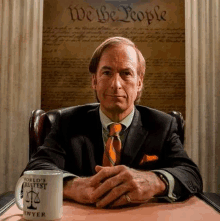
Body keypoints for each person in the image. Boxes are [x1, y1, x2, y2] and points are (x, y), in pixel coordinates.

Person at [23, 37, 203, 208]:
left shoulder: (162, 125)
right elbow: (35, 170)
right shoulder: (68, 122)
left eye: (126, 74)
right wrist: (74, 186)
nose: (116, 84)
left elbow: (191, 175)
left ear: (139, 82)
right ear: (94, 80)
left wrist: (154, 181)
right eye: (107, 73)